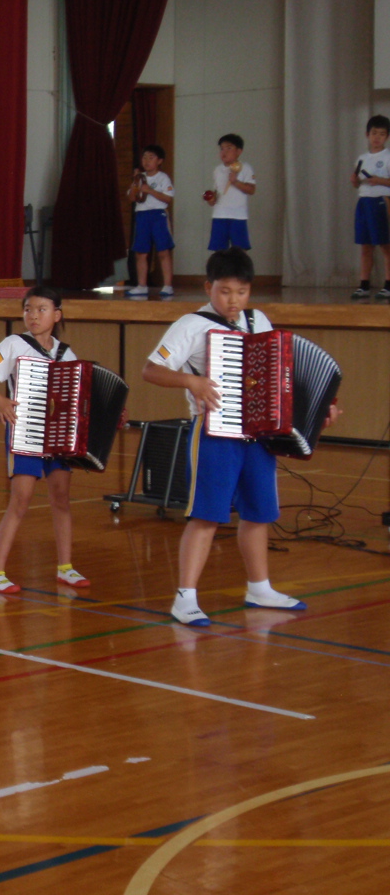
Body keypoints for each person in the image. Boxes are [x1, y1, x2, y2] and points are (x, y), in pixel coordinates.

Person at [141, 248, 339, 626]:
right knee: (206, 515)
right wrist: (191, 381)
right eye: (225, 291)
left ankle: (259, 587)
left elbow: (277, 374)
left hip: (258, 433)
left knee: (259, 512)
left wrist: (320, 408)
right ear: (208, 287)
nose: (233, 300)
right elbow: (151, 370)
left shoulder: (257, 320)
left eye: (242, 292)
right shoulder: (191, 325)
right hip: (214, 432)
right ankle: (185, 597)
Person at [0, 286, 88, 594]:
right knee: (20, 499)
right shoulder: (14, 344)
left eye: (41, 309)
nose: (33, 315)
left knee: (61, 496)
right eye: (28, 309)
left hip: (57, 434)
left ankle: (66, 567)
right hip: (25, 431)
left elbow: (77, 396)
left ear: (57, 315)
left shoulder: (66, 353)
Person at [127, 145, 175, 299]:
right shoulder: (140, 177)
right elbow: (131, 198)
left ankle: (167, 285)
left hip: (158, 215)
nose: (147, 161)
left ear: (159, 161)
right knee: (140, 253)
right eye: (144, 157)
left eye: (151, 157)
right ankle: (142, 285)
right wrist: (135, 184)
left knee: (163, 251)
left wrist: (150, 190)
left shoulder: (163, 178)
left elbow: (168, 198)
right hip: (142, 215)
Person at [350, 114, 390, 299]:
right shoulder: (362, 158)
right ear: (367, 134)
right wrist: (354, 181)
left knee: (385, 245)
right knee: (365, 246)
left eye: (382, 134)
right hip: (364, 202)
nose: (377, 138)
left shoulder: (388, 156)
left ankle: (388, 285)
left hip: (381, 201)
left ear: (387, 137)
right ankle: (364, 285)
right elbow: (357, 184)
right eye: (374, 133)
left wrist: (379, 180)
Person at [205, 134, 255, 252]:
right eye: (222, 149)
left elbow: (251, 189)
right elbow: (217, 192)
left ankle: (238, 266)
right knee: (219, 251)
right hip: (219, 215)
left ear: (239, 151)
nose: (224, 152)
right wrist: (211, 199)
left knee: (239, 251)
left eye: (229, 148)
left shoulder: (245, 168)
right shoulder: (217, 170)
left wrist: (235, 182)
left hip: (238, 215)